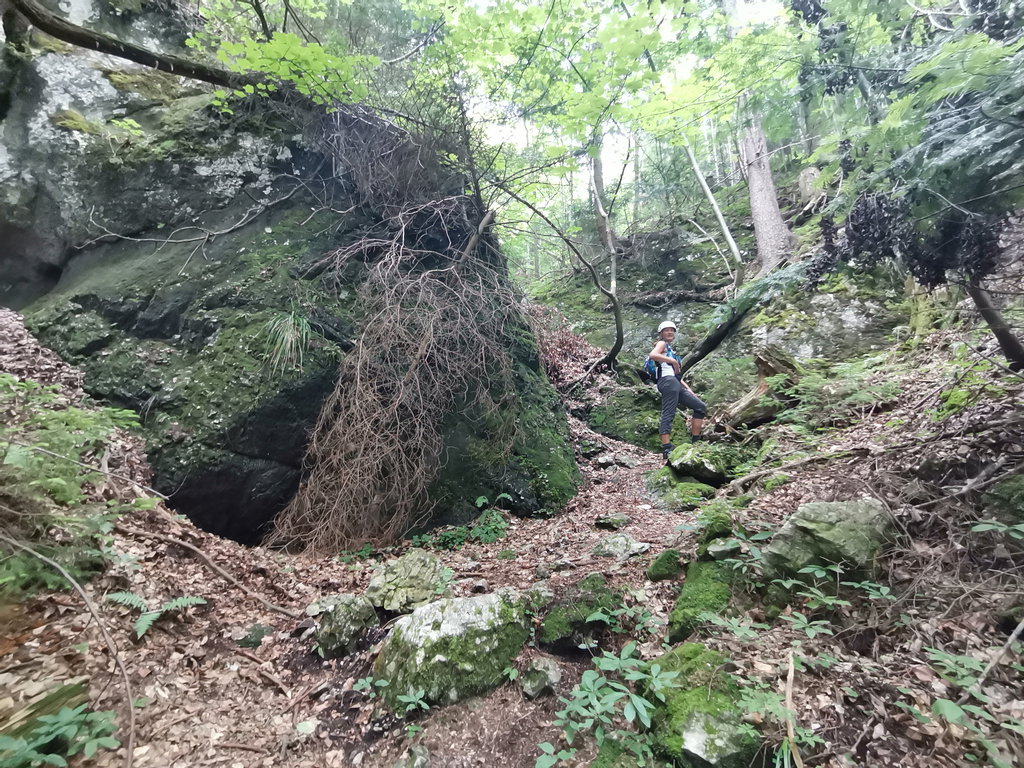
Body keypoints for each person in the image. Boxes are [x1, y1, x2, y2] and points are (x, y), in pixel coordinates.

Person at [649, 320, 707, 460]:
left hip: (674, 382)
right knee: (669, 412)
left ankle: (696, 442)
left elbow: (676, 376)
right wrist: (674, 362)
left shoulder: (670, 350)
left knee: (700, 407)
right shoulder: (661, 344)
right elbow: (653, 355)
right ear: (661, 333)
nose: (670, 332)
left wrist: (688, 389)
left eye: (672, 330)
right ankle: (666, 448)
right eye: (666, 330)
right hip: (668, 382)